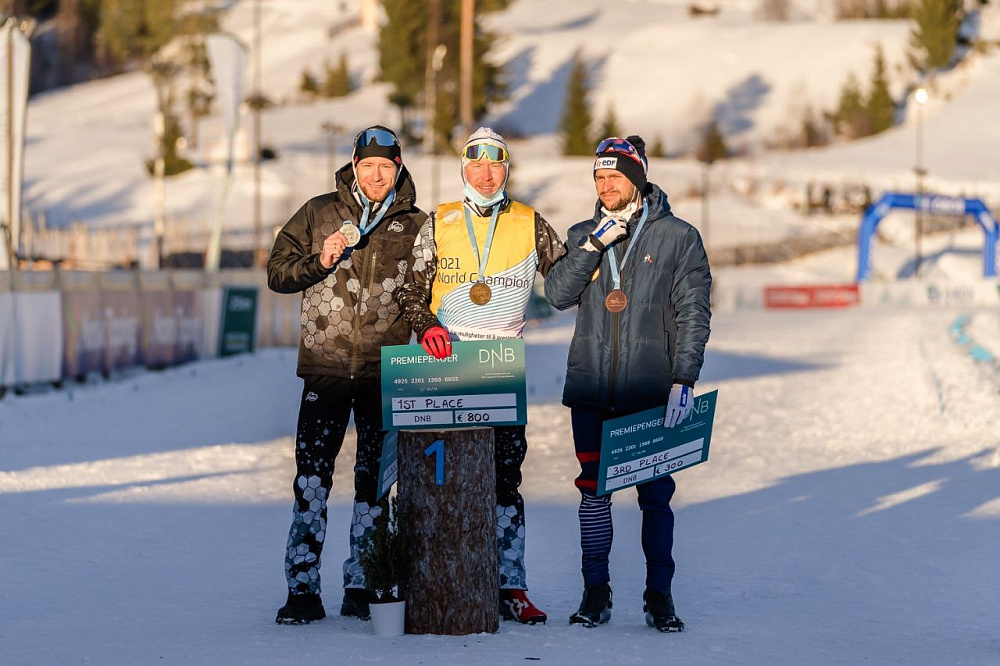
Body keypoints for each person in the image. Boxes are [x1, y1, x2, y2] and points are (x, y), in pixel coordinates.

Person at [396, 127, 566, 625]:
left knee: (505, 478)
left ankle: (511, 584)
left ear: (506, 171)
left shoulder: (530, 221)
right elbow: (410, 289)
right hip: (445, 363)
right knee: (439, 475)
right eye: (476, 165)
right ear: (464, 170)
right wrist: (426, 325)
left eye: (495, 166)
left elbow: (567, 280)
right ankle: (433, 578)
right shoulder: (439, 220)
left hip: (501, 364)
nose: (485, 175)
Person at [543, 135, 712, 632]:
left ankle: (659, 595)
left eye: (615, 175)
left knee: (655, 496)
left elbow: (693, 313)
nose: (606, 184)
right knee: (593, 493)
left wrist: (684, 378)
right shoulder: (581, 233)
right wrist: (595, 244)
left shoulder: (679, 237)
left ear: (636, 178)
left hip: (650, 391)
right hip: (592, 389)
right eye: (598, 176)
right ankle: (596, 591)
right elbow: (556, 294)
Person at [266, 125, 427, 625]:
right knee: (311, 481)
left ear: (398, 167)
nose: (376, 175)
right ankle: (302, 590)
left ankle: (363, 583)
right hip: (326, 369)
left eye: (386, 166)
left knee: (374, 488)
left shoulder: (416, 223)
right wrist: (321, 258)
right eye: (367, 166)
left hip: (385, 371)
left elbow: (423, 292)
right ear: (353, 166)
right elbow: (277, 273)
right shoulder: (318, 212)